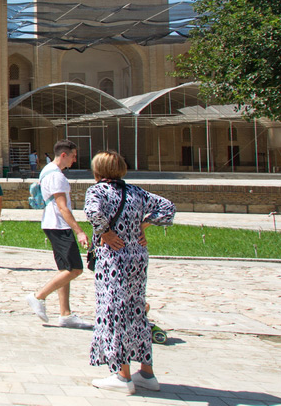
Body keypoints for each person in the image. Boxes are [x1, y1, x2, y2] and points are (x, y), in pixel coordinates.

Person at [84, 149, 175, 394]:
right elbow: (167, 208)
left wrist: (105, 233)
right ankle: (147, 373)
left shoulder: (97, 191)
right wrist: (143, 224)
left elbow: (92, 212)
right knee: (136, 309)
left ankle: (122, 376)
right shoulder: (135, 191)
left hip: (113, 259)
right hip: (137, 257)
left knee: (114, 312)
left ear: (98, 171)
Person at [26, 139, 91, 329]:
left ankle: (65, 314)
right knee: (75, 269)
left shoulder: (48, 171)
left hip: (51, 223)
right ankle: (38, 296)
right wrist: (79, 231)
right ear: (64, 155)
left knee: (65, 270)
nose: (75, 160)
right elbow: (62, 207)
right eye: (73, 156)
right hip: (59, 225)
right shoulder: (56, 176)